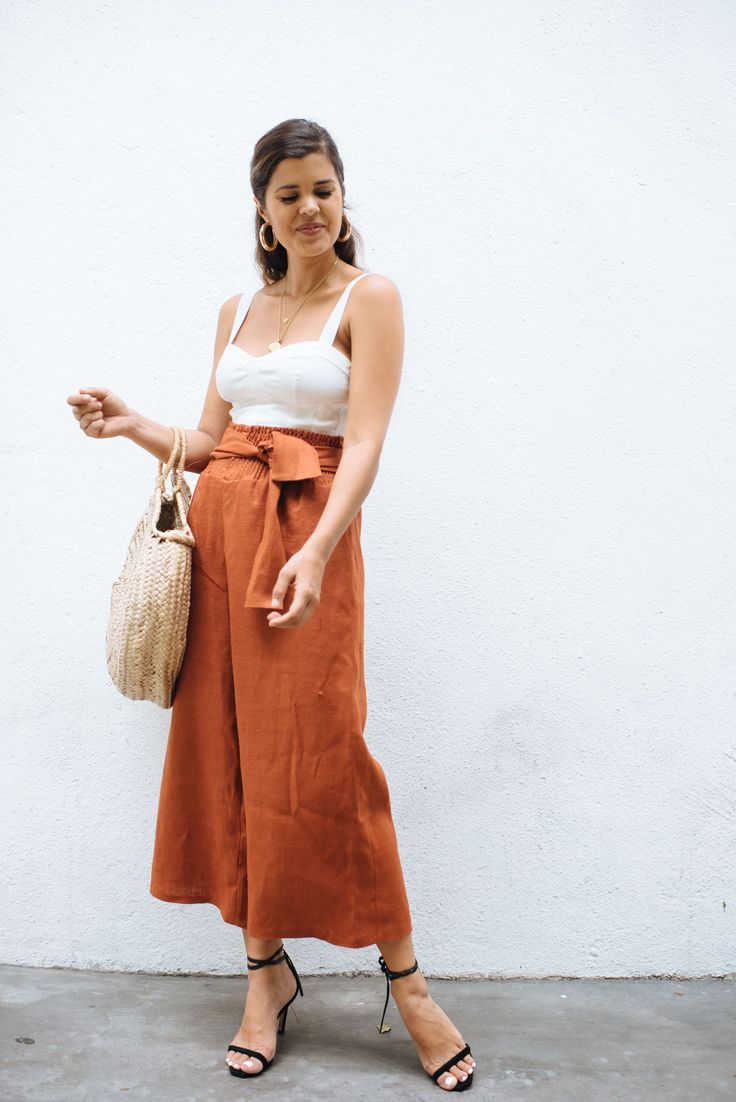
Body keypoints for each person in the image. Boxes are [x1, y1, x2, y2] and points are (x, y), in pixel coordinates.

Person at [67, 118, 477, 1093]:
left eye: (323, 189)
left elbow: (365, 445)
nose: (309, 208)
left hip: (310, 545)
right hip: (223, 541)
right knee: (237, 756)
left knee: (328, 762)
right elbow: (213, 441)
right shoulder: (237, 310)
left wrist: (319, 552)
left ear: (344, 197)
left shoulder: (367, 299)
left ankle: (408, 984)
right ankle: (264, 975)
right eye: (288, 193)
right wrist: (133, 426)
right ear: (261, 207)